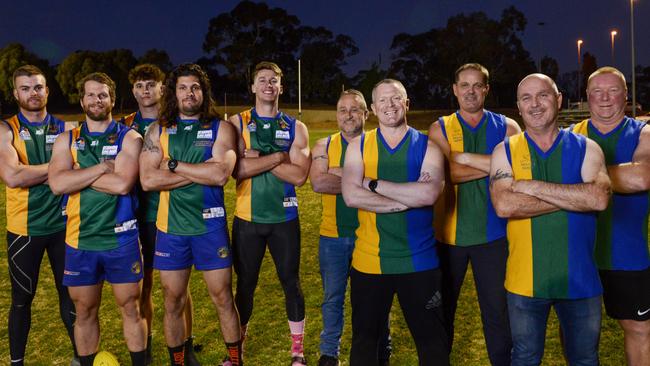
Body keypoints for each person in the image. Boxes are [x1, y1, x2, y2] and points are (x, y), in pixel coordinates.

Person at [489, 73, 610, 365]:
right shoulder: (504, 150)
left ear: (558, 100)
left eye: (543, 95)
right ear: (518, 106)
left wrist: (532, 186)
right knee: (526, 358)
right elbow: (505, 205)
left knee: (584, 359)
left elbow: (598, 199)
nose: (535, 104)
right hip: (524, 283)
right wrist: (572, 198)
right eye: (526, 98)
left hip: (580, 281)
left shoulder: (587, 148)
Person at [139, 63, 242, 366]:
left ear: (204, 91)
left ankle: (235, 361)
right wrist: (201, 171)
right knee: (173, 301)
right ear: (173, 92)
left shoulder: (221, 128)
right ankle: (178, 363)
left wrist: (172, 164)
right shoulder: (157, 130)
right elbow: (148, 180)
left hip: (210, 228)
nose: (189, 93)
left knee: (223, 298)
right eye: (182, 87)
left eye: (195, 87)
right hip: (171, 230)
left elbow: (221, 174)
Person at [341, 79, 448, 366]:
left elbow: (429, 193)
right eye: (383, 101)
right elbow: (351, 196)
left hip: (420, 262)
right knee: (364, 344)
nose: (390, 105)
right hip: (369, 261)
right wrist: (406, 199)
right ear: (373, 109)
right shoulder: (358, 146)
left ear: (407, 103)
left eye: (396, 98)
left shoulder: (428, 146)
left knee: (432, 345)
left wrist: (372, 184)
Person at [48, 72, 146, 366]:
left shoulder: (130, 137)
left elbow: (122, 185)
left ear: (112, 100)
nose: (96, 100)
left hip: (122, 238)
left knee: (131, 309)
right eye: (90, 94)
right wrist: (103, 168)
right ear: (82, 100)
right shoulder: (67, 139)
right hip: (81, 239)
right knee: (85, 310)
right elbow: (56, 185)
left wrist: (76, 175)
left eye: (102, 94)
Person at [429, 63, 519, 365]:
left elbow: (518, 170)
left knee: (497, 315)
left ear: (486, 89)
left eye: (477, 85)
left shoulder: (508, 127)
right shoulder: (440, 127)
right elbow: (445, 172)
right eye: (464, 85)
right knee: (443, 313)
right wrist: (497, 164)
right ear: (455, 89)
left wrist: (465, 158)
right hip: (448, 237)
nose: (470, 91)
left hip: (495, 236)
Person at [228, 61, 311, 365]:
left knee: (291, 282)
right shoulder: (236, 124)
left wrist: (260, 156)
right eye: (261, 80)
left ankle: (297, 352)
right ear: (252, 87)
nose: (267, 85)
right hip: (247, 219)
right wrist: (279, 157)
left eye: (273, 81)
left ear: (281, 87)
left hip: (284, 220)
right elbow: (236, 168)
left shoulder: (295, 127)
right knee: (245, 285)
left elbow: (300, 176)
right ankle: (237, 353)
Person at [123, 63, 201, 365]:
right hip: (135, 216)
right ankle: (149, 345)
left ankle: (186, 347)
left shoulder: (175, 122)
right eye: (140, 85)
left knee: (178, 288)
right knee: (143, 286)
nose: (145, 90)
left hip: (172, 213)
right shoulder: (124, 125)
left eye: (151, 84)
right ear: (133, 90)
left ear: (162, 89)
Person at [572, 66, 650, 366]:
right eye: (597, 92)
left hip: (626, 253)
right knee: (576, 333)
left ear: (626, 95)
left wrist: (576, 180)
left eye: (613, 90)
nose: (605, 98)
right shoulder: (571, 134)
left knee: (638, 329)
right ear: (588, 96)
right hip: (579, 253)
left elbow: (642, 177)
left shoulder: (643, 132)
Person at [0, 65, 78, 366]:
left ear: (47, 90)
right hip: (24, 230)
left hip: (63, 227)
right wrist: (59, 169)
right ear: (15, 93)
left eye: (38, 87)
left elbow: (79, 172)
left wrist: (33, 171)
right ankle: (17, 362)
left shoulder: (65, 128)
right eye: (26, 88)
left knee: (70, 297)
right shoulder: (7, 130)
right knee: (21, 301)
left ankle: (80, 357)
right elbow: (13, 176)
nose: (33, 93)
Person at [310, 89, 391, 366]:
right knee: (333, 298)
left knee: (374, 299)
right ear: (336, 114)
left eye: (355, 109)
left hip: (371, 234)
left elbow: (387, 185)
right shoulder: (323, 145)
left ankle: (382, 349)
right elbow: (319, 183)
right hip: (332, 236)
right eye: (343, 110)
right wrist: (364, 180)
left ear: (366, 113)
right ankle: (329, 353)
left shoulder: (379, 144)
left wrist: (339, 173)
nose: (348, 115)